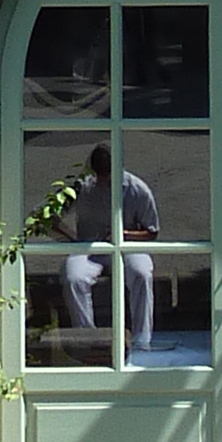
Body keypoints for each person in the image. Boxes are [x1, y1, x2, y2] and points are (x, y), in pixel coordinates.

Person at [61, 143, 158, 353]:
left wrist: (125, 235)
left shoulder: (137, 189)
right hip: (89, 247)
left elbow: (152, 231)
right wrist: (71, 238)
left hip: (127, 246)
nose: (104, 181)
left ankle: (142, 340)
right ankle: (88, 338)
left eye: (108, 175)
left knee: (141, 273)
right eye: (100, 176)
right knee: (73, 277)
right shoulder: (82, 187)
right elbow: (51, 216)